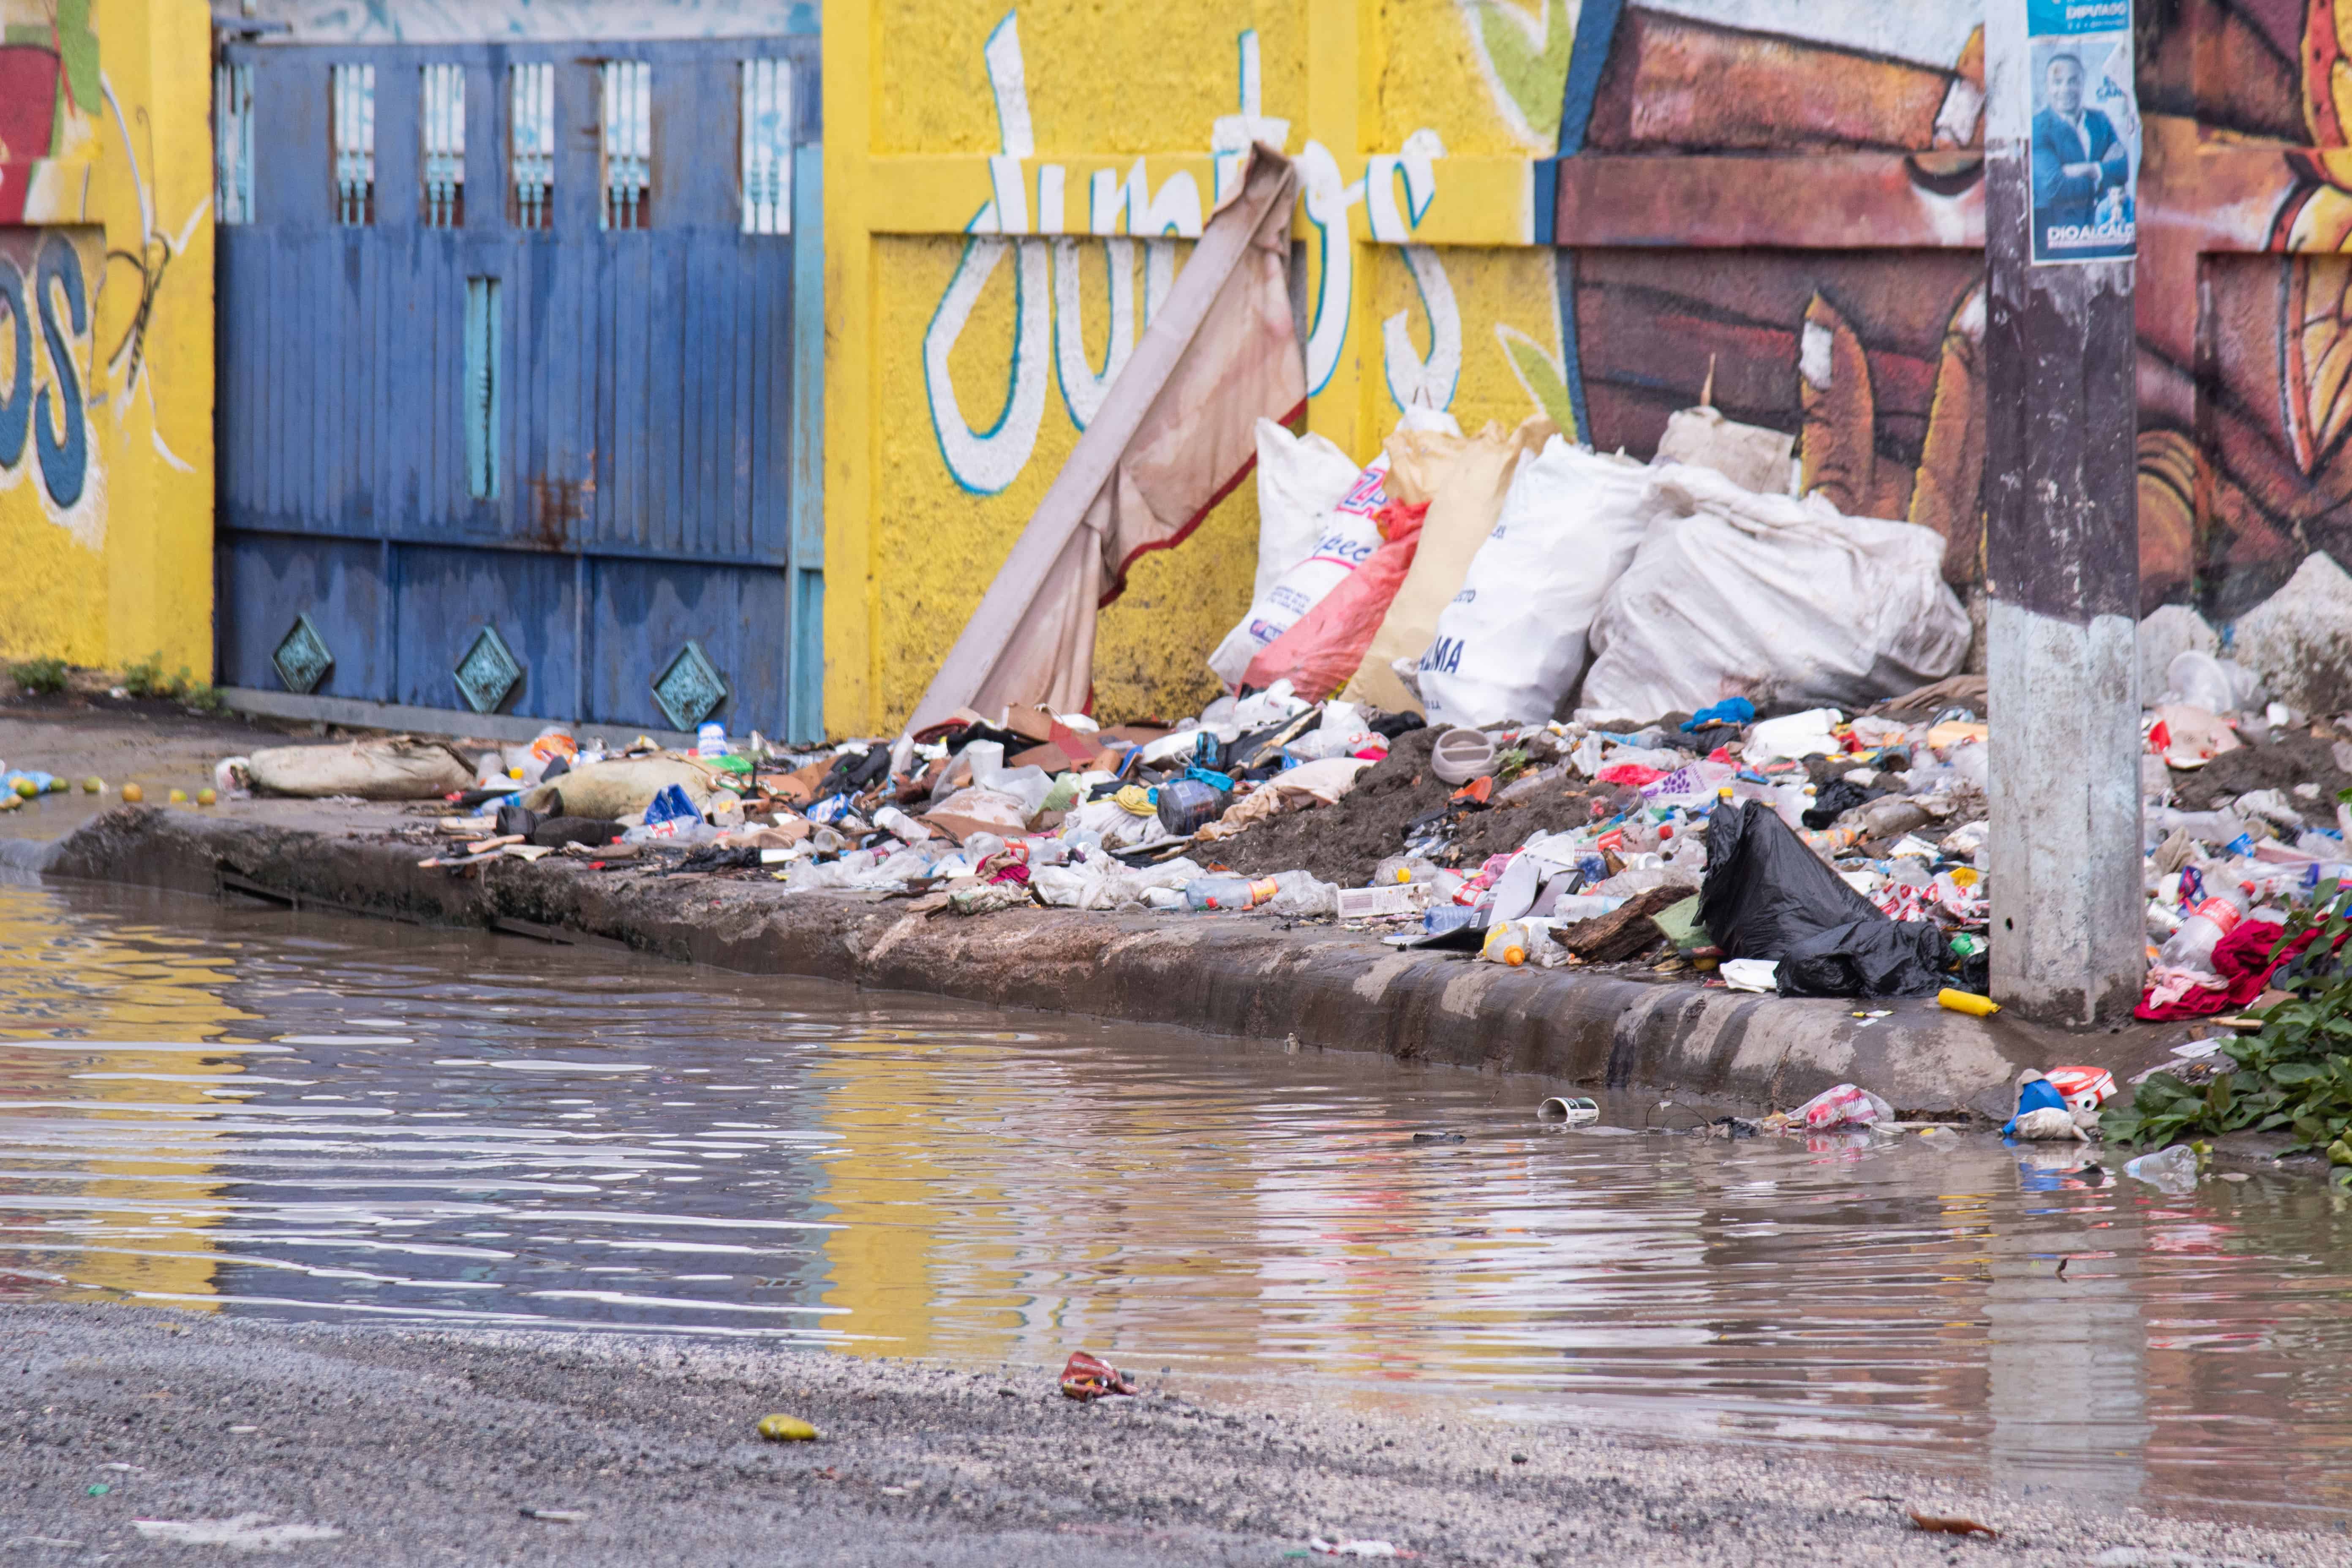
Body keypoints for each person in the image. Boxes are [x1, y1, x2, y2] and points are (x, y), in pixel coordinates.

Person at [2031, 52, 2129, 241]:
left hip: (2100, 230)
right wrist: (2102, 175)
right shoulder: (2038, 127)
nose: (2066, 89)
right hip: (2056, 234)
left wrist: (2091, 169)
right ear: (2047, 88)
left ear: (2083, 84)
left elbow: (2124, 169)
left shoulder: (2100, 120)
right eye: (2058, 82)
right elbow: (2053, 188)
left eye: (2073, 81)